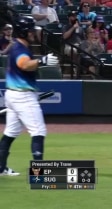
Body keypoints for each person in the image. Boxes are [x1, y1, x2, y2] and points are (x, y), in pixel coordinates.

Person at [0, 16, 59, 176]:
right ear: (24, 32)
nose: (34, 33)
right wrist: (42, 61)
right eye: (32, 31)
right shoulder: (20, 49)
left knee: (10, 133)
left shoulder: (19, 46)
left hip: (13, 95)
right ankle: (39, 173)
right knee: (38, 131)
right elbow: (24, 64)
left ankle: (0, 167)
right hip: (23, 96)